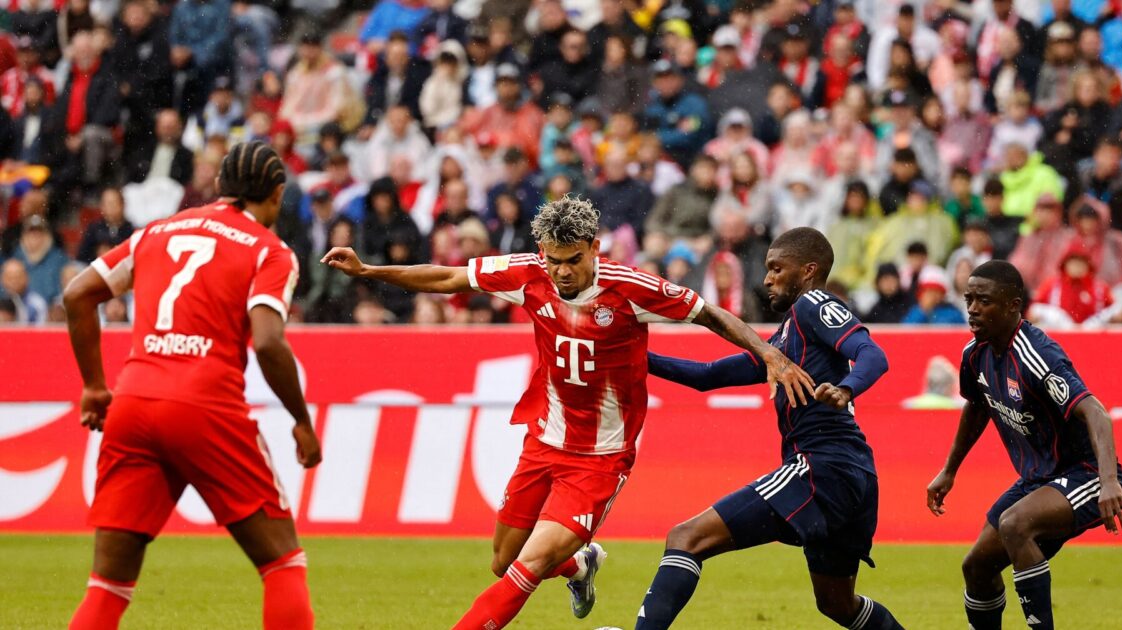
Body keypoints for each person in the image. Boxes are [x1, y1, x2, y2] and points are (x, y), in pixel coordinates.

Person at [320, 196, 810, 630]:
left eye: (574, 260)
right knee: (503, 558)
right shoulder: (530, 272)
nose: (563, 272)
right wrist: (369, 272)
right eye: (554, 262)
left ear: (595, 248)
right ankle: (580, 566)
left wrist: (769, 353)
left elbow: (711, 313)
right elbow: (450, 276)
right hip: (544, 440)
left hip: (599, 459)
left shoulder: (631, 287)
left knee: (526, 567)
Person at [61, 142, 321, 629]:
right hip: (206, 405)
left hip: (134, 402)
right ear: (277, 194)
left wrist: (95, 387)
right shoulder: (270, 251)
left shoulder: (155, 233)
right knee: (282, 562)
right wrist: (302, 422)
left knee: (108, 585)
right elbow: (267, 343)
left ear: (220, 186)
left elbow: (77, 295)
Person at [632, 227, 901, 630]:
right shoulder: (788, 335)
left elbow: (872, 354)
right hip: (853, 475)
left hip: (822, 467)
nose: (766, 279)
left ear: (808, 270)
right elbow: (707, 375)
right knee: (837, 604)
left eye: (777, 268)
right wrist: (634, 356)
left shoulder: (814, 303)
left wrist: (846, 389)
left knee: (686, 538)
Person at [927, 260, 1122, 630]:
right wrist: (950, 470)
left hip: (1082, 473)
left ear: (1012, 305)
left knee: (1015, 523)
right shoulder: (974, 354)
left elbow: (1096, 412)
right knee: (976, 566)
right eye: (969, 298)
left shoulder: (1037, 354)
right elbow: (977, 407)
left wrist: (1108, 482)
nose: (972, 308)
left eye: (984, 300)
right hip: (1038, 479)